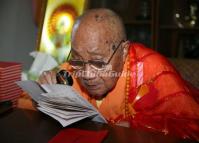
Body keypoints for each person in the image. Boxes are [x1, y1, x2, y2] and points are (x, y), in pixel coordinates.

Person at [38, 8, 199, 140]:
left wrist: (134, 126)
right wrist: (45, 90)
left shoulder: (151, 70)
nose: (86, 74)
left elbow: (192, 126)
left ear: (123, 51)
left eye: (98, 62)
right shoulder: (76, 67)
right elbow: (29, 98)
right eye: (77, 59)